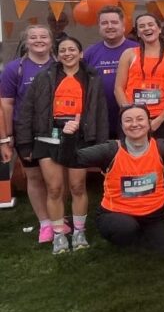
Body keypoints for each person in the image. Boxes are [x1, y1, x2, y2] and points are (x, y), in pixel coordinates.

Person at [55, 105, 164, 254]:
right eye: (128, 120)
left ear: (149, 124)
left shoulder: (161, 147)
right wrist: (68, 136)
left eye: (140, 119)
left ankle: (145, 235)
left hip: (154, 214)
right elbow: (71, 160)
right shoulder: (110, 150)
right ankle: (127, 238)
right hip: (117, 213)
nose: (135, 124)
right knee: (125, 229)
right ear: (122, 127)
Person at [15, 37, 109, 254]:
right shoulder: (44, 77)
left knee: (77, 187)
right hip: (49, 138)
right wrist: (25, 143)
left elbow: (100, 112)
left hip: (80, 139)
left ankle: (79, 231)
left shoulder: (92, 77)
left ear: (81, 53)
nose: (68, 53)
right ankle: (58, 234)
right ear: (57, 55)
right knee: (55, 188)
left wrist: (102, 148)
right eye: (63, 50)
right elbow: (27, 110)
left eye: (72, 49)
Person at [0, 25, 55, 243]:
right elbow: (6, 105)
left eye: (43, 36)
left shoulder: (61, 64)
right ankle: (45, 223)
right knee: (34, 177)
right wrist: (6, 138)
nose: (39, 40)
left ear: (51, 41)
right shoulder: (15, 69)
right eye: (33, 37)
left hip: (56, 130)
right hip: (26, 132)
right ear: (26, 42)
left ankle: (58, 216)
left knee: (57, 179)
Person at [115, 13, 164, 143]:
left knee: (162, 159)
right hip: (133, 120)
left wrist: (160, 119)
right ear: (138, 33)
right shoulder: (128, 54)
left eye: (150, 24)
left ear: (159, 29)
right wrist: (129, 113)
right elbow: (118, 88)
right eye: (142, 26)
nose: (147, 28)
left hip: (161, 119)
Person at [84, 5, 138, 138]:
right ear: (99, 27)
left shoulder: (137, 49)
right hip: (101, 120)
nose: (109, 26)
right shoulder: (90, 53)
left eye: (114, 22)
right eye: (104, 23)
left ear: (123, 26)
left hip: (133, 120)